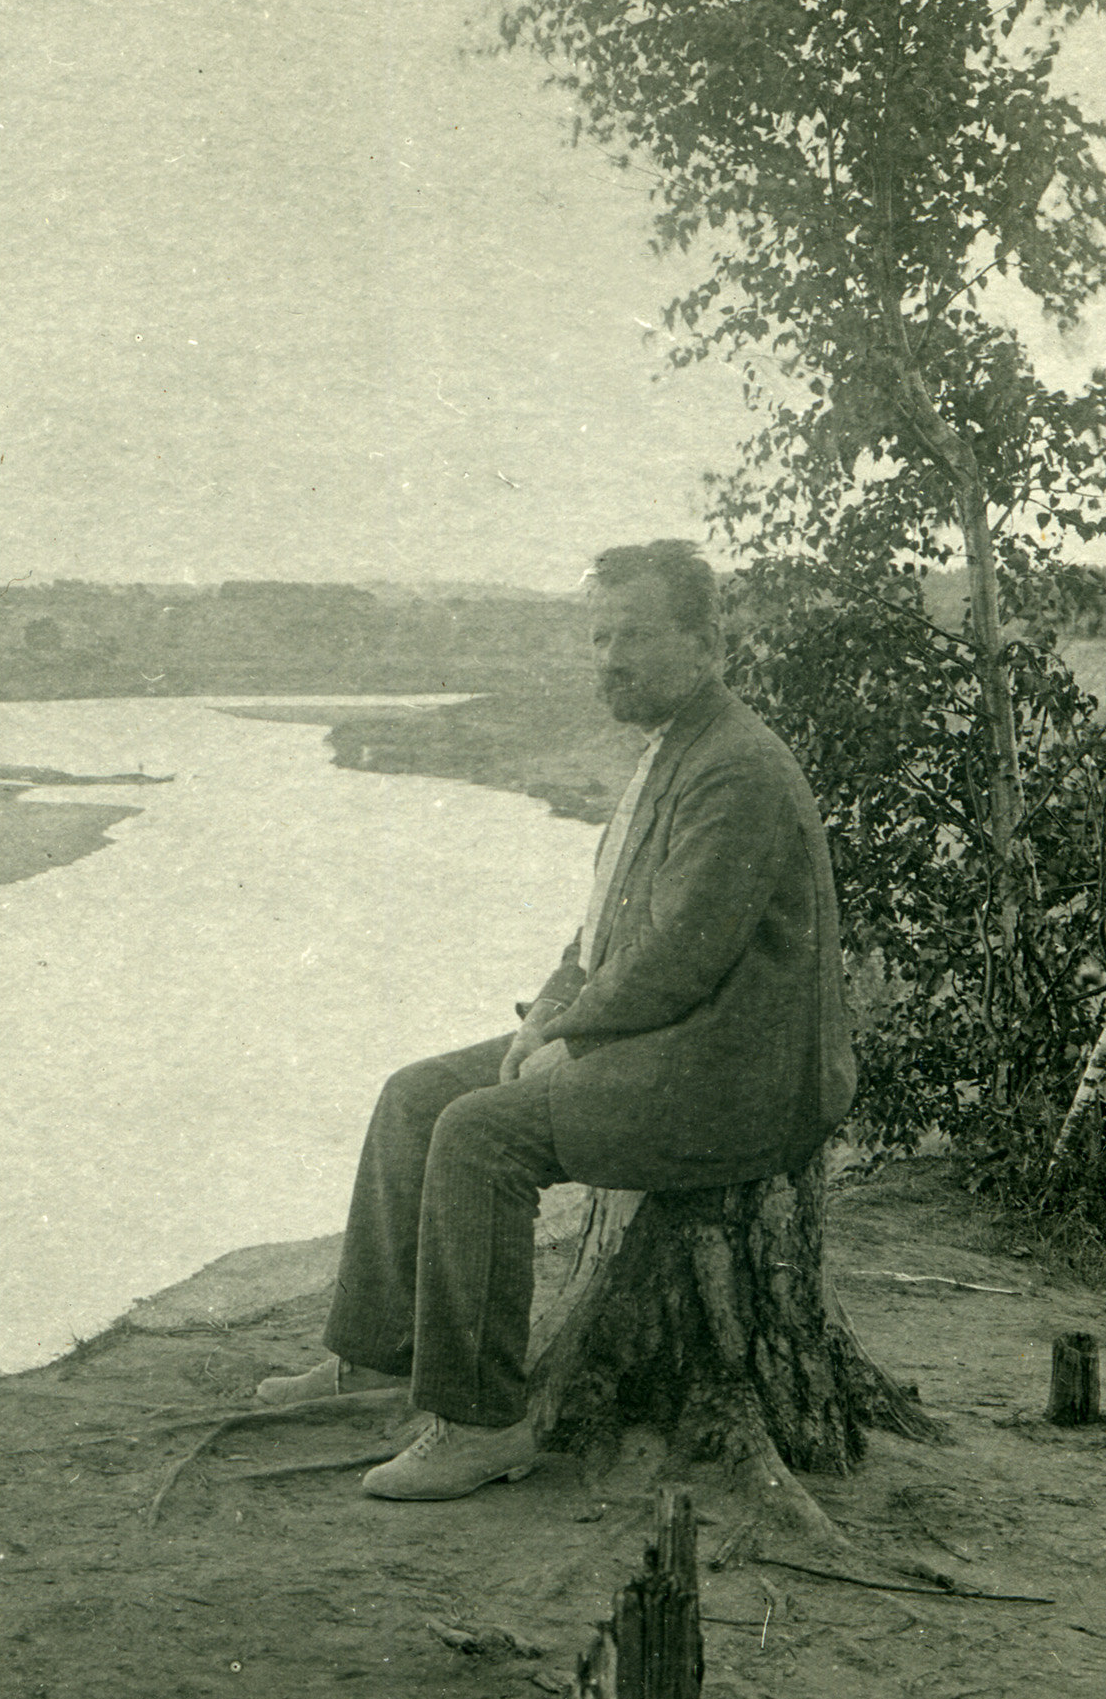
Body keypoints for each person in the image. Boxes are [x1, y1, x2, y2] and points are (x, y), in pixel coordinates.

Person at [256, 540, 855, 1501]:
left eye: (635, 636)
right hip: (670, 1035)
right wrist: (542, 1017)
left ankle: (481, 1423)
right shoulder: (676, 747)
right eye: (599, 634)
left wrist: (570, 1039)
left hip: (737, 1071)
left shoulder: (733, 767)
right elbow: (602, 931)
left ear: (705, 644)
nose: (608, 657)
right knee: (414, 1097)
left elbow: (678, 957)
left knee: (479, 1136)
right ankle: (377, 1354)